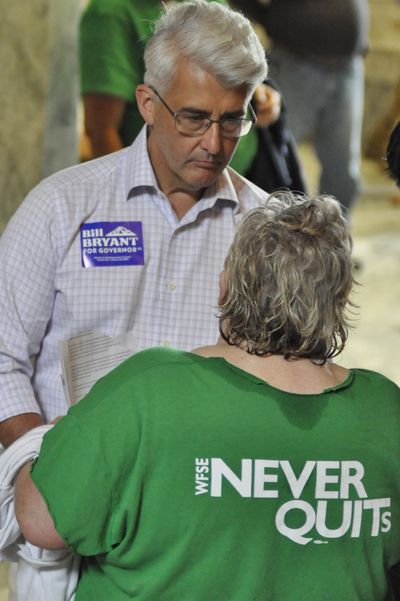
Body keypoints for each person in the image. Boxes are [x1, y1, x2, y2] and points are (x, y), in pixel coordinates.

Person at [14, 191, 400, 601]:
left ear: (226, 287)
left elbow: (41, 522)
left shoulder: (147, 390)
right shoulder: (385, 409)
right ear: (339, 299)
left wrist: (46, 445)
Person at [0, 0, 269, 449]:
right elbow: (4, 359)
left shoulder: (261, 230)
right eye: (195, 118)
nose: (214, 143)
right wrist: (46, 473)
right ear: (147, 103)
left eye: (232, 121)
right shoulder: (60, 207)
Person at [79, 0, 306, 193]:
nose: (214, 144)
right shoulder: (110, 14)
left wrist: (258, 93)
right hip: (171, 186)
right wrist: (129, 196)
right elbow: (101, 128)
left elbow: (231, 70)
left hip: (245, 169)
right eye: (193, 117)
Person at [230, 0, 369, 218]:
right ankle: (265, 242)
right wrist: (271, 21)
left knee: (343, 171)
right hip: (296, 63)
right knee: (275, 162)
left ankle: (333, 245)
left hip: (349, 66)